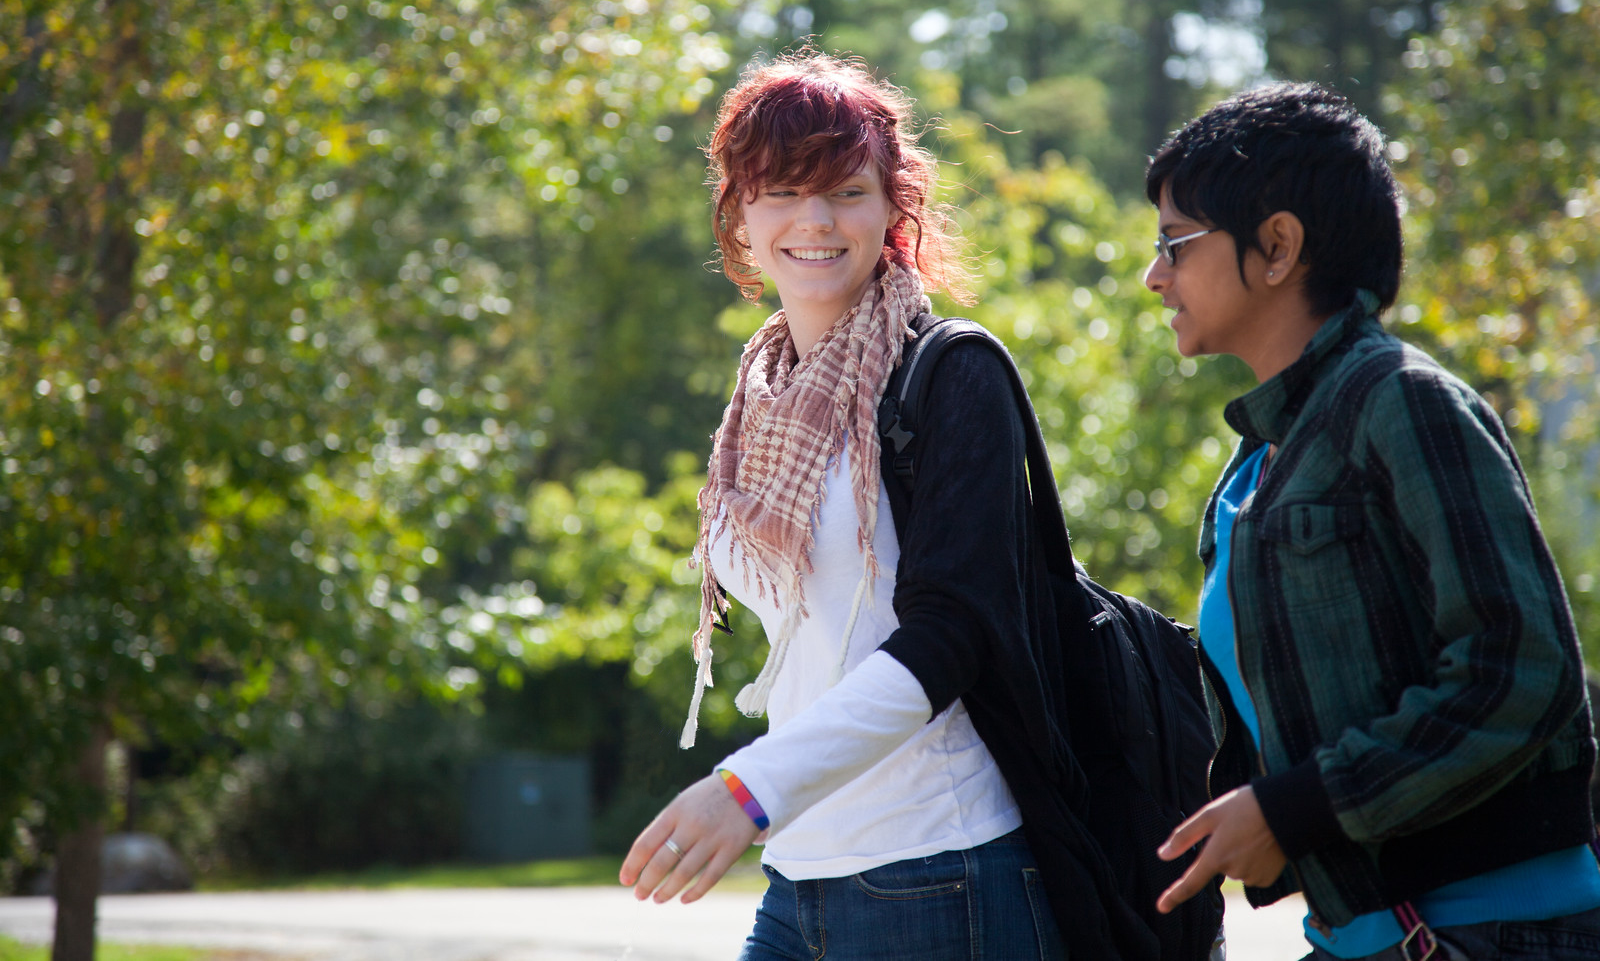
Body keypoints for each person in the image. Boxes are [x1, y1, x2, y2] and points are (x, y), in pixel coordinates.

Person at [617, 51, 1096, 959]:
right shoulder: (761, 396)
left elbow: (951, 635)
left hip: (941, 870)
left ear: (892, 208)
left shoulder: (950, 375)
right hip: (801, 872)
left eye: (846, 190)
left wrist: (748, 788)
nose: (815, 220)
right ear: (738, 214)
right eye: (781, 191)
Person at [1142, 81, 1600, 960]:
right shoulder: (1256, 463)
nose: (1154, 274)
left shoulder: (1404, 402)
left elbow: (1521, 670)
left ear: (1277, 246)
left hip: (1490, 935)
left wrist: (1296, 808)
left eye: (1175, 243)